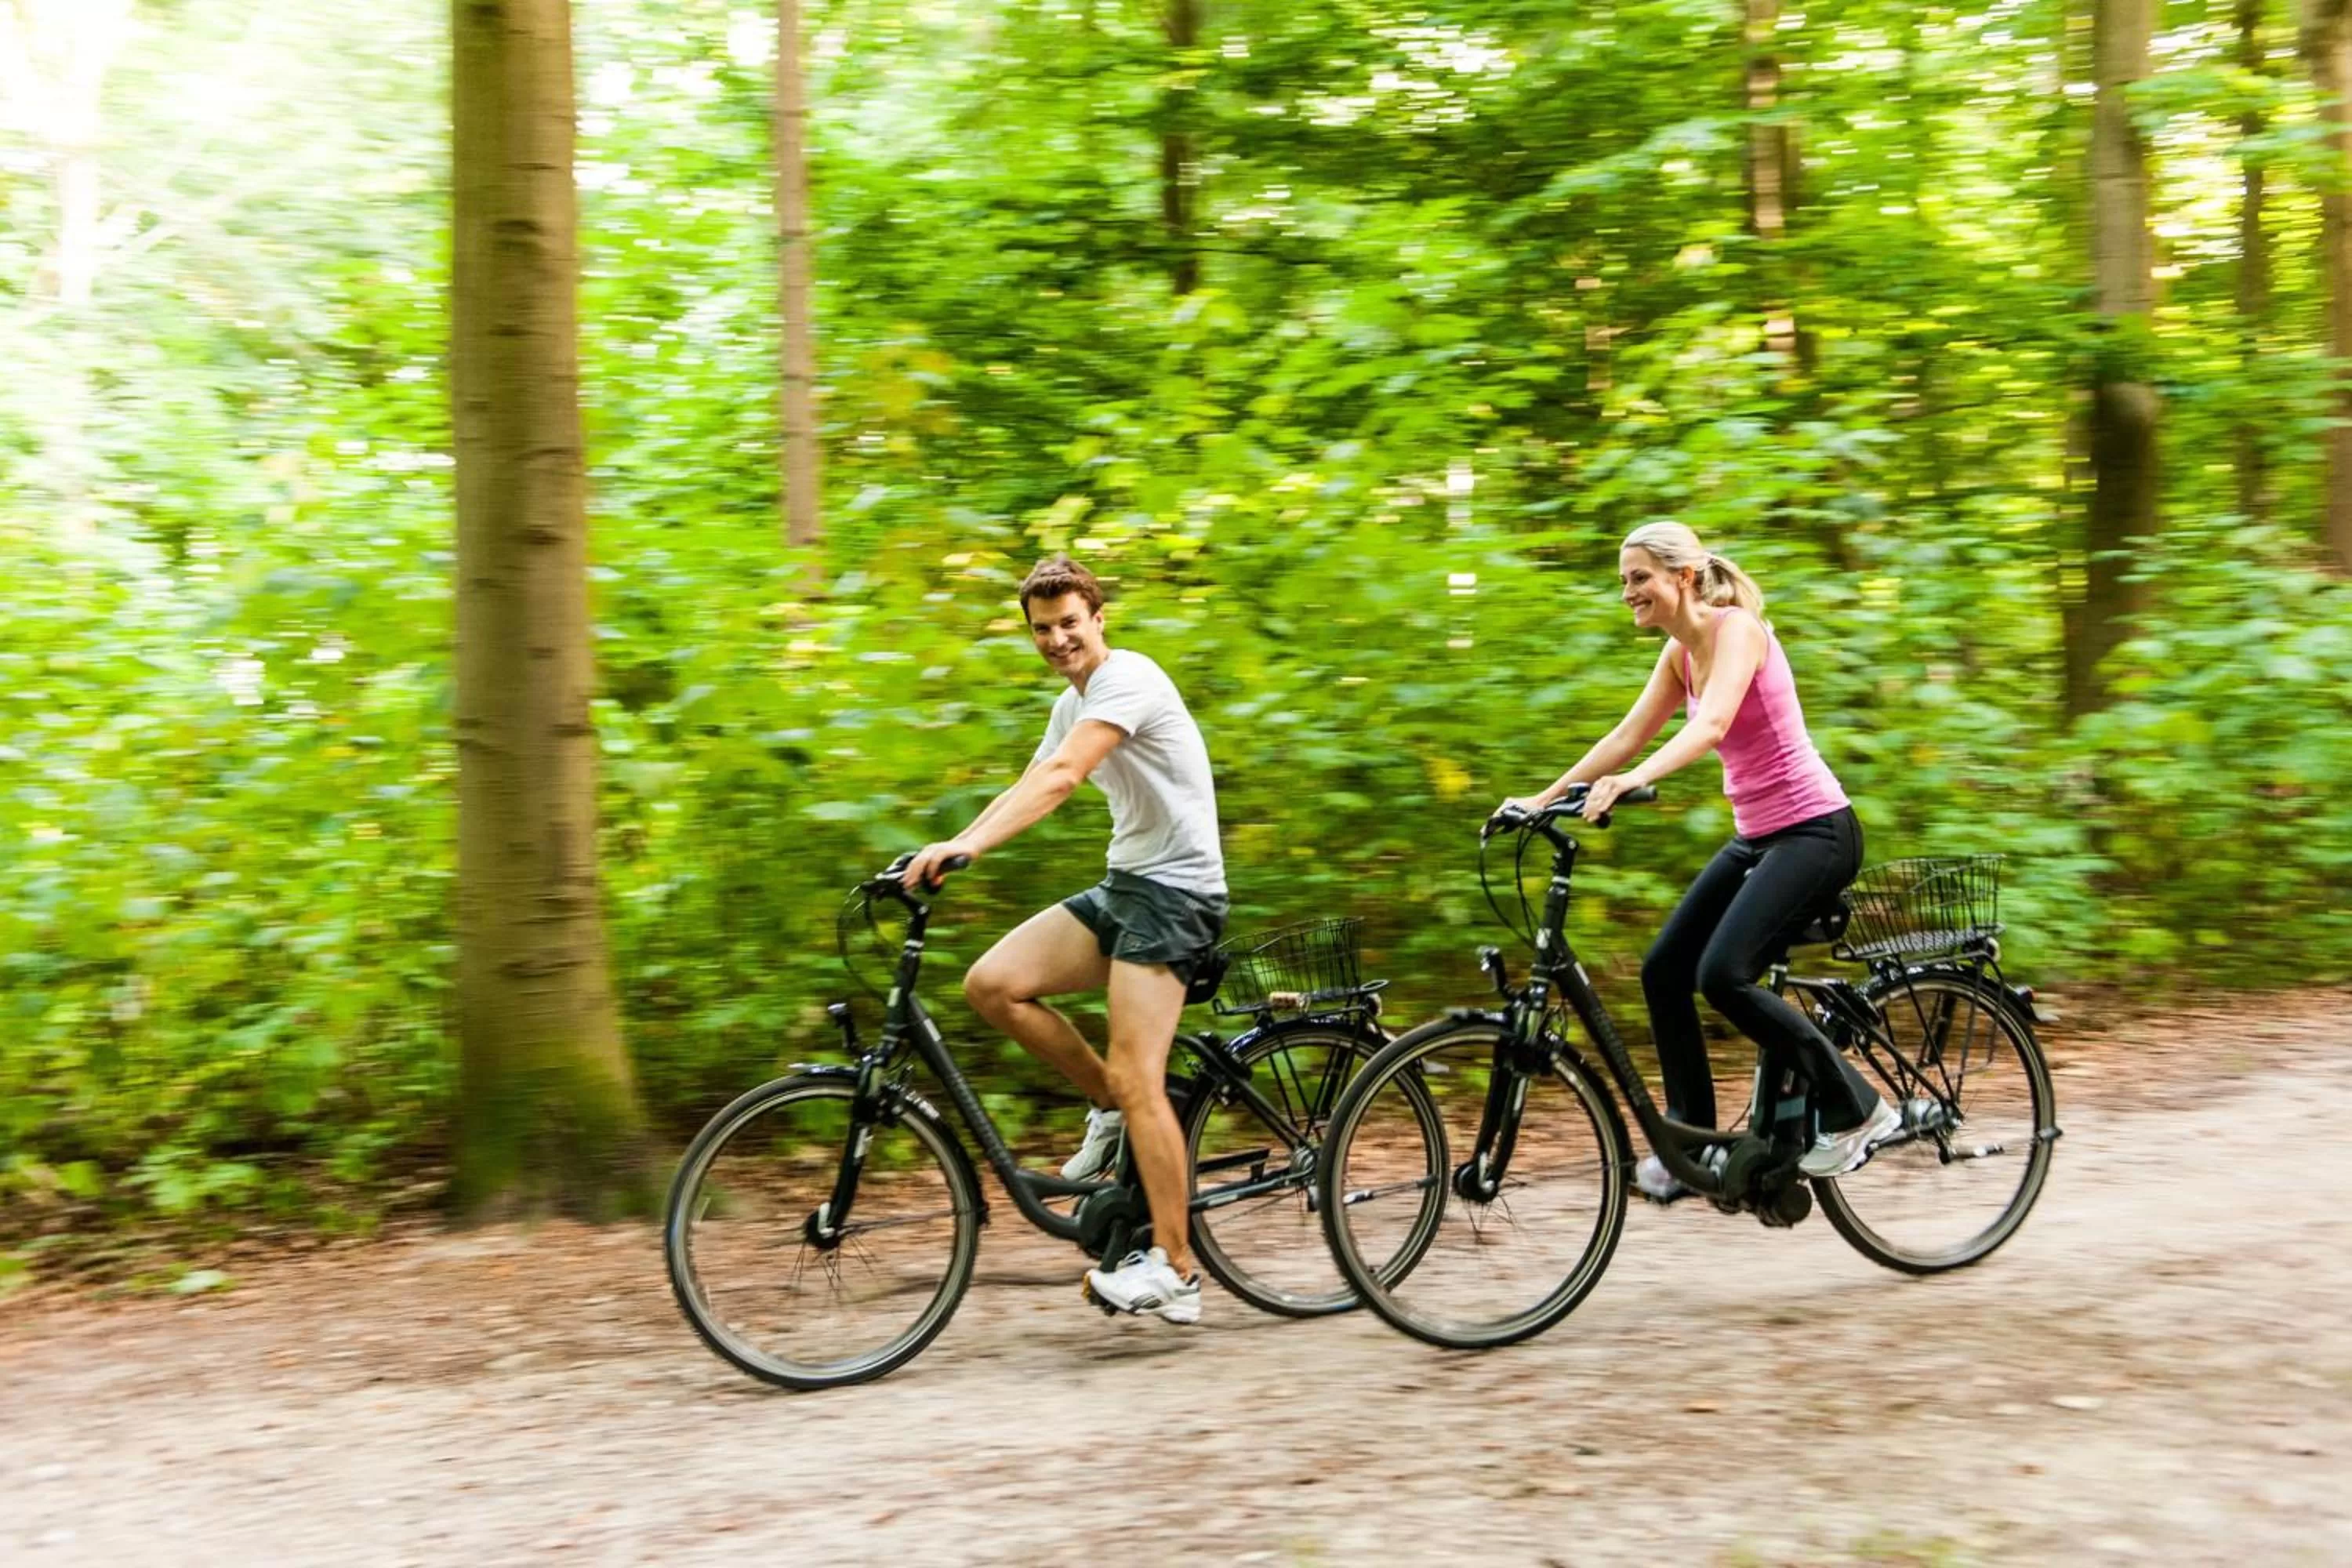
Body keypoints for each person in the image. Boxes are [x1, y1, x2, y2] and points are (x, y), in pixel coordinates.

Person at [1497, 521, 1898, 1200]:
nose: (1628, 592)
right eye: (1624, 580)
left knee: (1723, 975)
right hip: (1759, 837)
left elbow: (1709, 725)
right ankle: (1695, 1141)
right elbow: (1626, 734)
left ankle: (1859, 1110)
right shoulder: (1677, 656)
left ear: (1683, 578)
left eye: (1640, 578)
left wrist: (1626, 785)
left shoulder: (1736, 631)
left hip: (1817, 832)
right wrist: (1540, 800)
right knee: (1663, 971)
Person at [902, 554, 1227, 1323]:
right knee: (993, 983)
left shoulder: (1130, 679)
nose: (1057, 639)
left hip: (1177, 896)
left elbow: (1062, 779)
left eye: (1069, 623)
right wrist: (946, 845)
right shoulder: (1071, 701)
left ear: (1098, 617)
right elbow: (1029, 778)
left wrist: (971, 850)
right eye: (1043, 629)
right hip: (1127, 886)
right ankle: (1109, 1106)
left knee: (1139, 1073)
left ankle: (1177, 1269)